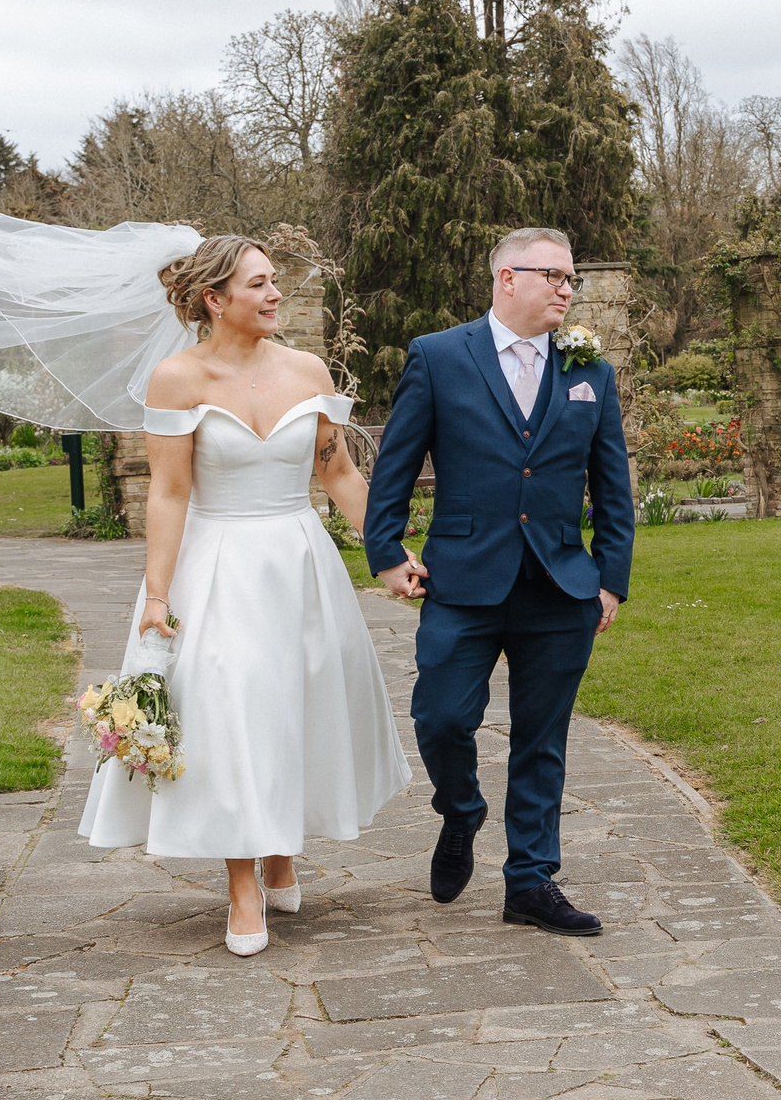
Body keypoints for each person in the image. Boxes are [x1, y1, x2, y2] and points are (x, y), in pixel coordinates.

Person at [73, 235, 409, 956]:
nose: (274, 295)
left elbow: (339, 473)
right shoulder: (176, 378)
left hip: (298, 564)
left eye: (275, 281)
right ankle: (242, 884)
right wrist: (157, 598)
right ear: (213, 300)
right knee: (231, 717)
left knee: (294, 705)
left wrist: (391, 553)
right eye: (258, 284)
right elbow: (167, 494)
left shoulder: (306, 369)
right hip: (216, 564)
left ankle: (280, 848)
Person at [362, 226, 635, 935]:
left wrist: (611, 579)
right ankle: (460, 812)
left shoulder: (588, 372)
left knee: (542, 738)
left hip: (561, 587)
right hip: (463, 580)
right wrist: (386, 551)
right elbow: (393, 464)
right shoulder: (438, 357)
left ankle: (531, 882)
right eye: (554, 276)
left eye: (570, 278)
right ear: (507, 278)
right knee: (441, 717)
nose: (567, 290)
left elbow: (613, 486)